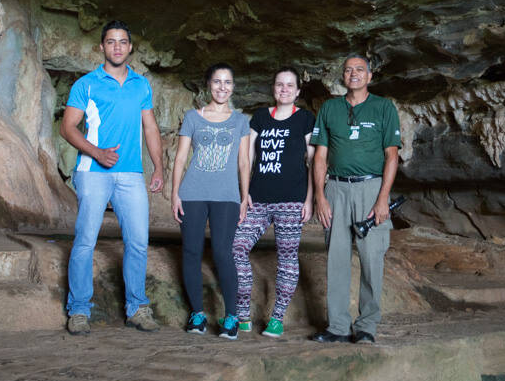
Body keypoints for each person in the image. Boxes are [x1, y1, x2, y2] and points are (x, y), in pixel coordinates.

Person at [60, 20, 164, 335]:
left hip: (131, 173)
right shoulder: (87, 84)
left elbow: (150, 127)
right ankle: (78, 310)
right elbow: (67, 127)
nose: (117, 47)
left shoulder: (141, 85)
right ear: (102, 47)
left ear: (130, 48)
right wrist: (96, 152)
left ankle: (137, 308)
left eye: (122, 42)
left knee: (138, 242)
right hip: (93, 172)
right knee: (85, 241)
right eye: (110, 42)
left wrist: (158, 166)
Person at [310, 55, 401, 344]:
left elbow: (392, 156)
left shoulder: (384, 107)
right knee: (336, 259)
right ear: (343, 77)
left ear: (369, 76)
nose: (353, 74)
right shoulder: (329, 108)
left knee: (371, 258)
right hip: (336, 189)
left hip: (370, 188)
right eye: (348, 70)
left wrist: (382, 199)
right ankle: (337, 326)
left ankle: (367, 326)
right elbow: (320, 157)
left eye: (359, 69)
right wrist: (320, 198)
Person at [231, 67, 316, 338]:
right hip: (258, 199)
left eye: (290, 85)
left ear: (298, 91)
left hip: (292, 200)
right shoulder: (259, 117)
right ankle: (242, 313)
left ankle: (277, 319)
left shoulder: (304, 119)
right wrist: (243, 195)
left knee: (287, 258)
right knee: (236, 247)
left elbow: (313, 161)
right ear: (273, 88)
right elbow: (246, 158)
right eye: (280, 85)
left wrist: (310, 199)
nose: (284, 89)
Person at [170, 63, 250, 340]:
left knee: (222, 253)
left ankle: (231, 317)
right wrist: (175, 193)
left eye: (227, 82)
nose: (222, 87)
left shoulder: (240, 121)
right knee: (191, 252)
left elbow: (243, 162)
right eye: (217, 82)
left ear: (233, 87)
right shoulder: (193, 117)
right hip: (192, 193)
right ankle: (197, 314)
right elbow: (181, 158)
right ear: (209, 85)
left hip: (226, 196)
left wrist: (243, 197)